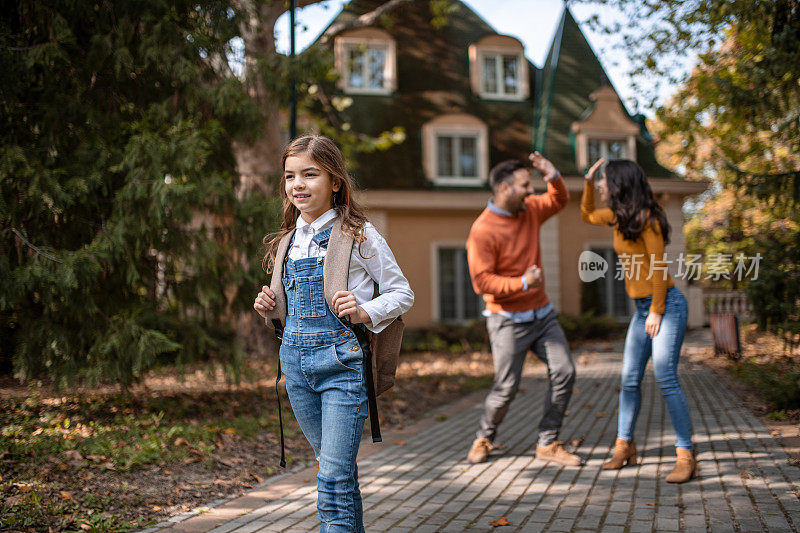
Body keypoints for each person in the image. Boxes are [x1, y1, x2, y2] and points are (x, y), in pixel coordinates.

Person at [253, 134, 414, 531]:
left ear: (336, 181)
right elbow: (286, 314)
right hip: (295, 366)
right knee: (334, 470)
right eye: (290, 176)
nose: (298, 185)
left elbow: (402, 292)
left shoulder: (359, 235)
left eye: (310, 174)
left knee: (333, 477)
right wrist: (269, 309)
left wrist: (364, 311)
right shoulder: (286, 242)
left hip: (342, 365)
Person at [581, 158, 696, 483]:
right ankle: (624, 447)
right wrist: (587, 182)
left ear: (618, 184)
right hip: (643, 308)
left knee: (665, 376)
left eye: (603, 180)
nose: (602, 185)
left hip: (666, 305)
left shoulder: (649, 220)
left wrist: (658, 310)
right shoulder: (618, 218)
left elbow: (659, 267)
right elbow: (587, 214)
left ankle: (686, 455)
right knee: (629, 378)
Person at [465, 152, 581, 466]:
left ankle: (548, 442)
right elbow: (482, 282)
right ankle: (484, 437)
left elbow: (559, 200)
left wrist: (552, 173)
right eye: (525, 185)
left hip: (542, 315)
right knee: (506, 388)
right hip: (507, 320)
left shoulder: (529, 210)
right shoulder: (483, 231)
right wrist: (523, 283)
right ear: (504, 188)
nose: (531, 191)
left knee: (565, 372)